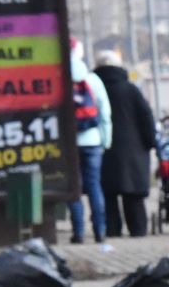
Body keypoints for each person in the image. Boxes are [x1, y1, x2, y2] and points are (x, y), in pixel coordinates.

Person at [93, 51, 157, 239]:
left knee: (108, 194)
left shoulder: (95, 88)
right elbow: (146, 117)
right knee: (133, 195)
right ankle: (138, 230)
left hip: (103, 147)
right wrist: (150, 142)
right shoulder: (131, 89)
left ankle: (112, 230)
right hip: (133, 150)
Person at [66, 40, 114, 242]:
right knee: (94, 185)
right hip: (92, 140)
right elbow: (104, 112)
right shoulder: (93, 79)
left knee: (73, 188)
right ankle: (100, 231)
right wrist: (105, 140)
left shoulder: (59, 78)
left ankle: (78, 233)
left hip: (69, 143)